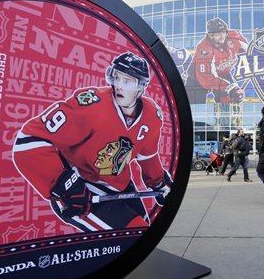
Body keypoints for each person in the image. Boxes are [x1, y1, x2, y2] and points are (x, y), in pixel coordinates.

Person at [13, 52, 173, 231]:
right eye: (116, 78)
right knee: (134, 234)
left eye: (127, 81)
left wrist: (158, 182)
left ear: (141, 87)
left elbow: (147, 156)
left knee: (144, 232)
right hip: (81, 186)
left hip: (118, 182)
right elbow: (28, 142)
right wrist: (64, 185)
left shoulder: (152, 115)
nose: (118, 86)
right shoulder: (91, 107)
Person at [185, 18, 246, 126]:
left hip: (222, 73)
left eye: (222, 32)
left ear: (226, 32)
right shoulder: (204, 47)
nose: (220, 36)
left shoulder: (235, 37)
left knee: (230, 99)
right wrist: (230, 88)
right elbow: (206, 79)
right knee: (195, 111)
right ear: (210, 35)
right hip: (197, 80)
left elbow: (250, 51)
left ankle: (226, 127)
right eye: (215, 34)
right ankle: (198, 130)